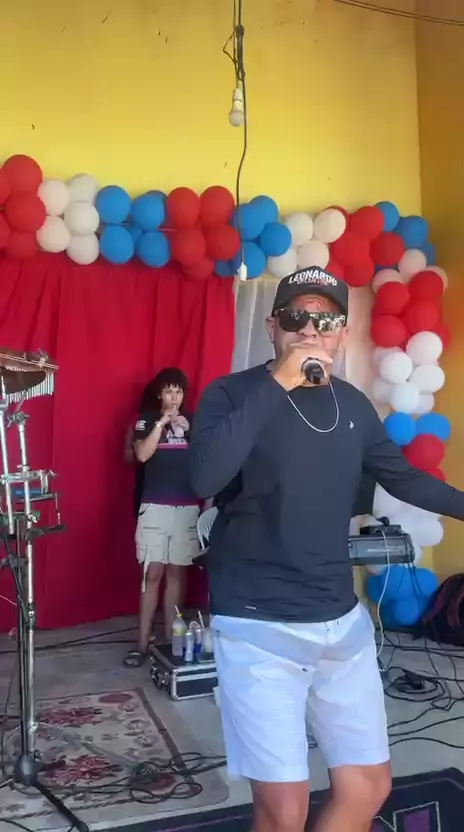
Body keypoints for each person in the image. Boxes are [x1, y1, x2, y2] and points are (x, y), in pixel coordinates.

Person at [189, 266, 464, 832]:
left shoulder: (354, 405)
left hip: (340, 623)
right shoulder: (231, 393)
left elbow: (405, 480)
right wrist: (278, 384)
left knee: (367, 786)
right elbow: (204, 477)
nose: (310, 330)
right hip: (259, 624)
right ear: (273, 327)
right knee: (283, 811)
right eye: (296, 317)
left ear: (343, 334)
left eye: (326, 320)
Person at [123, 367, 200, 668]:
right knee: (151, 574)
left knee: (177, 575)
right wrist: (162, 423)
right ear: (160, 394)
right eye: (169, 391)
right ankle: (142, 645)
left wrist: (189, 432)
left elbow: (206, 459)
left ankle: (171, 642)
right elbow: (142, 455)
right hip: (155, 506)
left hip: (186, 507)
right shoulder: (146, 420)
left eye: (178, 391)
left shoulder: (193, 421)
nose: (174, 397)